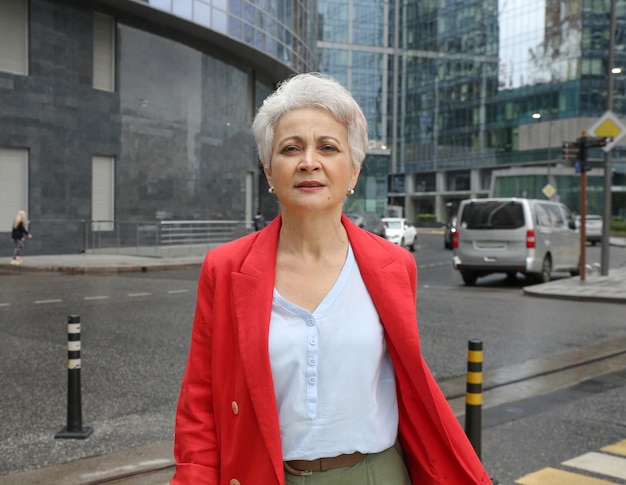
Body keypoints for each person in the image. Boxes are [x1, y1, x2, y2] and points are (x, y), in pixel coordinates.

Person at [172, 73, 489, 484]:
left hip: (376, 474)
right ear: (269, 170)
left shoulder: (395, 266)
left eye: (327, 147)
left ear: (353, 170)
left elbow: (408, 387)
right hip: (263, 474)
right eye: (291, 148)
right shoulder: (225, 268)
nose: (309, 161)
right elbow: (200, 401)